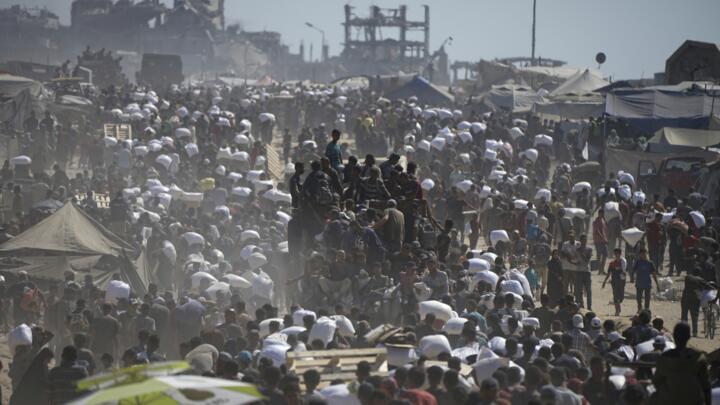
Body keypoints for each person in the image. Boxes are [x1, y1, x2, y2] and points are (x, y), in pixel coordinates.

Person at [652, 322, 710, 405]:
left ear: (674, 336)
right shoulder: (699, 358)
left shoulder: (664, 358)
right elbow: (706, 386)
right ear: (689, 337)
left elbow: (656, 381)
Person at [633, 248, 660, 313]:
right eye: (642, 254)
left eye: (644, 253)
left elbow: (654, 274)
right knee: (638, 298)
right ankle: (639, 309)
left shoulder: (650, 263)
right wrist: (633, 277)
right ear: (640, 255)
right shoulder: (637, 262)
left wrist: (657, 284)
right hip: (639, 283)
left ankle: (646, 311)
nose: (643, 255)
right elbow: (633, 271)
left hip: (647, 283)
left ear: (646, 254)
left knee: (647, 299)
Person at [602, 248, 627, 316]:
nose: (616, 255)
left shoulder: (623, 262)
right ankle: (617, 310)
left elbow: (625, 272)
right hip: (614, 282)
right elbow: (609, 273)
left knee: (621, 297)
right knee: (616, 297)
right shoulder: (612, 263)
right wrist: (604, 281)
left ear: (620, 254)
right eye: (615, 254)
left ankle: (618, 306)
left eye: (617, 254)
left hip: (621, 282)